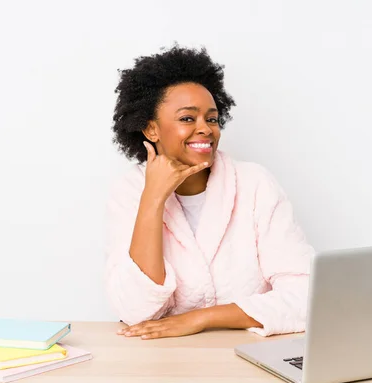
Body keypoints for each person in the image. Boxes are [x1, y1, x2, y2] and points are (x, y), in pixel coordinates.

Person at [105, 45, 314, 340]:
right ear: (152, 129)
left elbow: (307, 297)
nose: (205, 129)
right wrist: (153, 199)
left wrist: (200, 319)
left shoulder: (254, 184)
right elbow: (135, 311)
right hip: (164, 362)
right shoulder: (129, 192)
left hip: (252, 356)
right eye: (188, 119)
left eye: (212, 119)